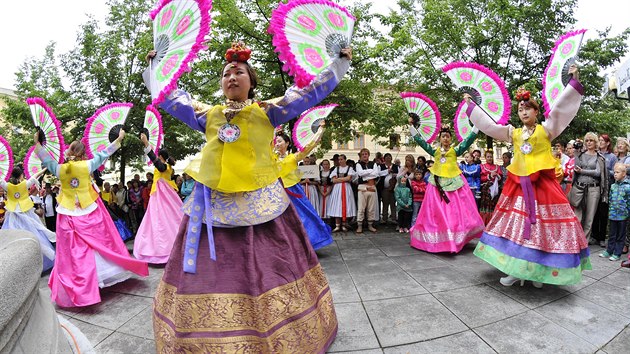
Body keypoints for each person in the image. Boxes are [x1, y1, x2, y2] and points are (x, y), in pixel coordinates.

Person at [145, 42, 351, 351]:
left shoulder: (268, 111)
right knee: (207, 270)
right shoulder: (208, 115)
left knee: (271, 264)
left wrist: (339, 63)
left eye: (239, 72)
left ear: (251, 81)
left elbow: (309, 92)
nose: (232, 77)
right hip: (212, 206)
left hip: (262, 204)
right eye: (227, 73)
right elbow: (171, 99)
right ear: (221, 82)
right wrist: (153, 70)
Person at [467, 65, 590, 287]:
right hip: (518, 187)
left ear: (536, 111)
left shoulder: (547, 129)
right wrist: (471, 106)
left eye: (528, 109)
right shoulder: (513, 133)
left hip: (543, 186)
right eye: (520, 110)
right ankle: (518, 270)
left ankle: (537, 271)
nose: (523, 112)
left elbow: (562, 109)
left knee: (542, 227)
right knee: (518, 226)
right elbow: (490, 126)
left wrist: (575, 79)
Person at [36, 129, 148, 307]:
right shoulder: (87, 165)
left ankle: (82, 284)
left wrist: (38, 143)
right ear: (82, 154)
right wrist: (118, 139)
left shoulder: (59, 169)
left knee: (72, 251)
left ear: (70, 152)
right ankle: (97, 279)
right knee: (98, 244)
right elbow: (104, 154)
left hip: (67, 212)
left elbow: (45, 159)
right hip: (89, 209)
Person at [408, 122, 484, 253]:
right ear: (439, 139)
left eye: (448, 136)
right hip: (437, 185)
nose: (445, 138)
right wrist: (412, 129)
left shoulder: (455, 151)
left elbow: (467, 141)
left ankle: (455, 237)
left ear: (451, 138)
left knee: (454, 211)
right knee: (437, 212)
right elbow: (422, 143)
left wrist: (476, 126)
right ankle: (439, 238)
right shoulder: (435, 151)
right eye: (443, 136)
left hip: (454, 184)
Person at [275, 129, 333, 250]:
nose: (277, 143)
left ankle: (308, 243)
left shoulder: (293, 157)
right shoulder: (271, 158)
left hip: (293, 191)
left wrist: (321, 130)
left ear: (287, 143)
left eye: (280, 141)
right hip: (277, 192)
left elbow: (309, 146)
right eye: (276, 141)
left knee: (304, 216)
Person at [133, 136, 184, 264]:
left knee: (161, 219)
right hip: (162, 194)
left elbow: (157, 163)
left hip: (162, 195)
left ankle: (164, 248)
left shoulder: (165, 167)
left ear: (161, 156)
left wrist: (146, 144)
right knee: (162, 218)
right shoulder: (167, 167)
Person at [1, 166, 56, 272]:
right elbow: (36, 175)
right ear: (21, 175)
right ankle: (38, 262)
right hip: (26, 213)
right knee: (36, 235)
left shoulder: (7, 186)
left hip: (13, 215)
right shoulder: (25, 184)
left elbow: (0, 180)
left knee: (13, 239)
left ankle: (17, 265)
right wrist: (45, 169)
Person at [572, 132, 609, 245]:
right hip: (579, 187)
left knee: (589, 217)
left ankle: (584, 242)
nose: (588, 142)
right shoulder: (580, 155)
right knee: (578, 216)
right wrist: (576, 152)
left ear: (595, 142)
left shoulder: (599, 157)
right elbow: (576, 168)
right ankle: (576, 239)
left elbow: (598, 173)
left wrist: (582, 171)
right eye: (587, 140)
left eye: (591, 140)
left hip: (594, 189)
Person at [591, 134, 618, 247]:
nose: (601, 142)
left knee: (603, 212)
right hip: (594, 186)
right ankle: (594, 236)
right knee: (594, 212)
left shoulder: (612, 157)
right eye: (600, 140)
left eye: (603, 140)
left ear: (608, 143)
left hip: (606, 187)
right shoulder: (595, 154)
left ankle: (602, 238)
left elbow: (615, 172)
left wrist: (604, 170)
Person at [599, 163, 629, 261]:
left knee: (620, 235)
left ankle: (617, 253)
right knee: (612, 234)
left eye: (618, 172)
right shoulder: (613, 186)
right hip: (613, 215)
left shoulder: (628, 187)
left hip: (623, 216)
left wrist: (627, 213)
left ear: (624, 174)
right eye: (614, 172)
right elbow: (611, 199)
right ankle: (609, 250)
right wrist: (610, 211)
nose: (615, 174)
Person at [355, 148, 382, 233]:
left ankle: (370, 225)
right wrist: (370, 172)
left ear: (368, 155)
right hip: (362, 187)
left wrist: (365, 174)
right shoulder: (358, 164)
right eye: (362, 154)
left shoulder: (373, 164)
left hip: (372, 186)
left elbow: (376, 174)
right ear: (360, 156)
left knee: (371, 208)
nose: (364, 155)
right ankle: (359, 226)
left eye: (366, 154)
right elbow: (360, 173)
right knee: (361, 208)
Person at [329, 154, 357, 232]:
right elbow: (333, 180)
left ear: (345, 160)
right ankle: (337, 225)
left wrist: (339, 179)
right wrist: (344, 179)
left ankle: (345, 224)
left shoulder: (349, 169)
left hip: (347, 188)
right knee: (337, 205)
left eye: (341, 159)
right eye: (339, 159)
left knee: (346, 204)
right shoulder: (336, 169)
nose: (340, 161)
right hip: (337, 189)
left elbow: (349, 178)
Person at [479, 150, 503, 224]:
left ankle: (493, 222)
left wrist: (497, 176)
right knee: (485, 206)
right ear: (485, 157)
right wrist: (489, 176)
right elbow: (480, 178)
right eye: (488, 157)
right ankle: (485, 221)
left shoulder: (497, 167)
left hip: (495, 189)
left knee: (494, 204)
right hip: (485, 189)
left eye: (491, 157)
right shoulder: (482, 166)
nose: (489, 158)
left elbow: (500, 178)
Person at [380, 152, 398, 225]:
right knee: (385, 203)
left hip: (393, 188)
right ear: (384, 159)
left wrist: (394, 174)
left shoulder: (395, 166)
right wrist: (387, 171)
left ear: (391, 158)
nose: (388, 158)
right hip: (385, 188)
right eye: (386, 157)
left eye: (389, 157)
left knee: (393, 203)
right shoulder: (381, 166)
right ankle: (384, 218)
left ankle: (393, 218)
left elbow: (399, 175)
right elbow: (379, 173)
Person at [318, 159, 334, 226]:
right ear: (322, 165)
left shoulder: (332, 172)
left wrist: (328, 191)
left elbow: (332, 183)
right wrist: (321, 191)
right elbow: (318, 183)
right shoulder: (319, 172)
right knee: (321, 205)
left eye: (327, 164)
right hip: (321, 190)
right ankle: (322, 221)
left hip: (329, 190)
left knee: (328, 204)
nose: (326, 165)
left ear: (329, 165)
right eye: (324, 164)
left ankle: (329, 221)